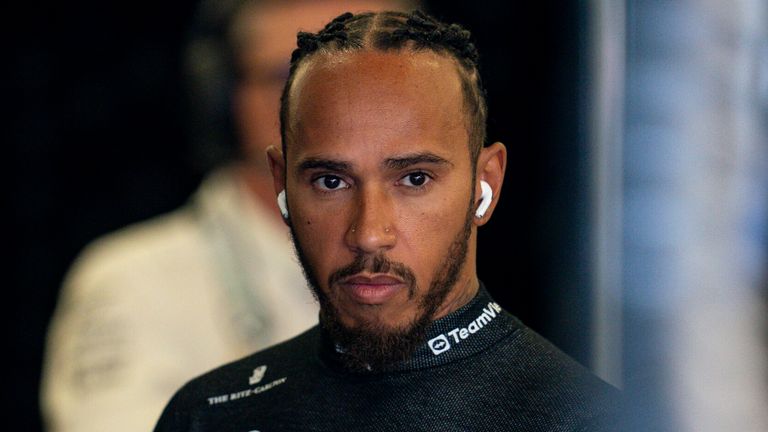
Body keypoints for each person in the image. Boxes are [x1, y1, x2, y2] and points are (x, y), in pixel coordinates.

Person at [154, 10, 621, 432]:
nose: (369, 233)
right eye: (331, 182)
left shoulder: (590, 421)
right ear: (282, 185)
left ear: (486, 185)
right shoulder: (209, 414)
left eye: (414, 178)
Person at [40, 2, 405, 432]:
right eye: (293, 78)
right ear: (222, 99)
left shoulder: (440, 262)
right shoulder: (128, 282)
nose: (345, 107)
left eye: (378, 74)